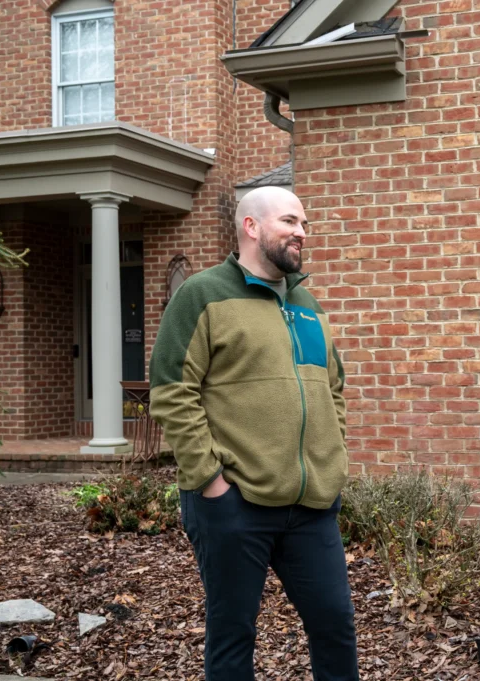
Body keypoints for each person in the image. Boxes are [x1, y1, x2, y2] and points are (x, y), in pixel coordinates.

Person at [149, 186, 357, 681]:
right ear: (252, 227)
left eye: (304, 224)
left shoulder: (307, 304)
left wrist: (334, 459)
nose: (302, 233)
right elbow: (172, 389)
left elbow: (333, 390)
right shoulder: (201, 295)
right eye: (290, 222)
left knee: (335, 624)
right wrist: (210, 480)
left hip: (310, 506)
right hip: (234, 503)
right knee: (233, 632)